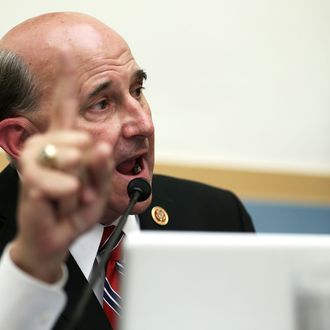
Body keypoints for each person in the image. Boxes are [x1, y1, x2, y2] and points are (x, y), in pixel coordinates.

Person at [0, 11, 254, 330]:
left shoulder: (217, 219)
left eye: (137, 90)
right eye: (101, 104)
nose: (143, 124)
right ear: (22, 140)